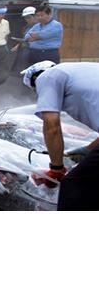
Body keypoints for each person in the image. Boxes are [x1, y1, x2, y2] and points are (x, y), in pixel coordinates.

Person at [21, 60, 99, 210]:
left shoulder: (48, 77)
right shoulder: (83, 73)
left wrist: (56, 168)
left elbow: (52, 125)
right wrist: (87, 150)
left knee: (75, 184)